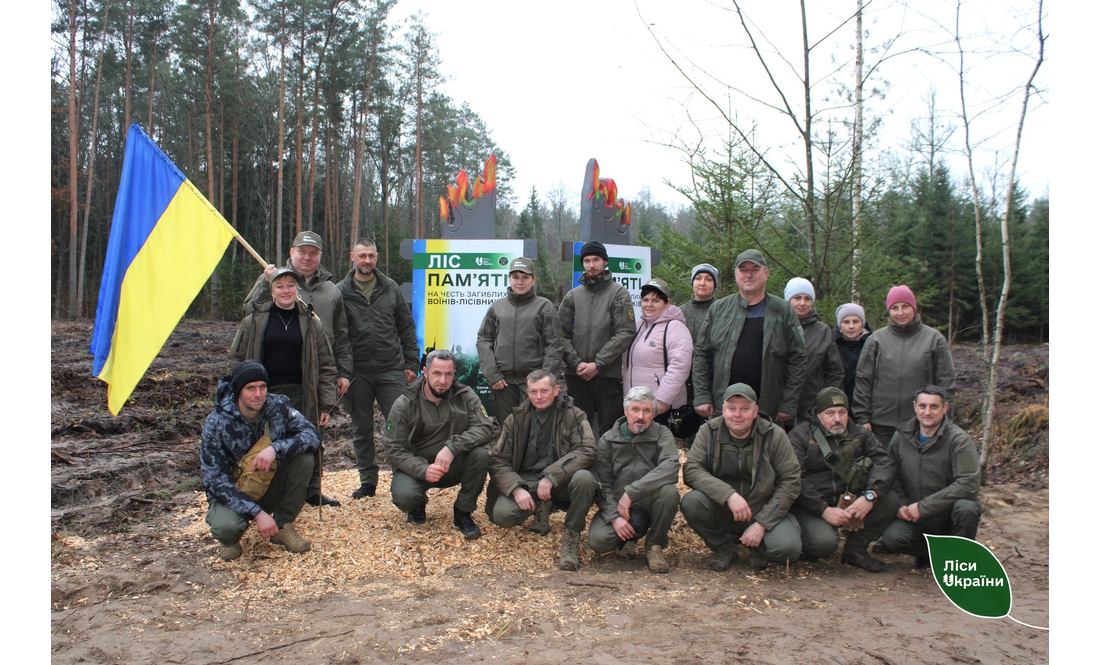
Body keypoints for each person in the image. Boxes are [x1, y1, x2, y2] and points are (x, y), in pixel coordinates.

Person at [243, 231, 352, 507]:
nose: (307, 257)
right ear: (291, 252)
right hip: (270, 382)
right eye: (302, 251)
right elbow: (248, 313)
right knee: (269, 437)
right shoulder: (273, 280)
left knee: (312, 435)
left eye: (313, 253)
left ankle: (311, 491)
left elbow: (341, 335)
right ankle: (268, 491)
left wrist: (343, 372)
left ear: (320, 256)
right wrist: (264, 282)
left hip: (311, 379)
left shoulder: (331, 291)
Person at [230, 267, 339, 506]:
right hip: (263, 394)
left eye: (291, 285)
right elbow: (236, 359)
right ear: (272, 292)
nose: (286, 290)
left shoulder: (312, 322)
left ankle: (311, 491)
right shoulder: (254, 321)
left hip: (302, 393)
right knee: (263, 443)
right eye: (280, 286)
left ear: (297, 290)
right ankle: (261, 491)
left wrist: (326, 403)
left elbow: (327, 365)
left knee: (309, 440)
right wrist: (237, 394)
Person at [200, 361, 320, 560]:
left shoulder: (279, 406)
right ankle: (231, 540)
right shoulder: (217, 422)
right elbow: (214, 481)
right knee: (227, 528)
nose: (258, 394)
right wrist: (257, 513)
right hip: (234, 492)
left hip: (267, 482)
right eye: (251, 388)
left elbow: (313, 435)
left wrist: (275, 449)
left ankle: (282, 525)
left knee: (304, 459)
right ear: (238, 391)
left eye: (262, 387)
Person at [681, 383, 802, 572]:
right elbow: (692, 470)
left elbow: (791, 481)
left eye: (745, 409)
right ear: (723, 410)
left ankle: (760, 547)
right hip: (725, 508)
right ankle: (724, 548)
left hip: (763, 508)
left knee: (787, 549)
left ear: (755, 411)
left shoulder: (774, 435)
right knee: (691, 501)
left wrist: (762, 523)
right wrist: (729, 495)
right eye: (732, 409)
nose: (737, 415)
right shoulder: (708, 431)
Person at [486, 370, 598, 571]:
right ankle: (541, 505)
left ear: (556, 390)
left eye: (544, 391)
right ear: (527, 392)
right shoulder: (515, 419)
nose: (539, 396)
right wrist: (516, 489)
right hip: (527, 479)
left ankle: (572, 536)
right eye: (534, 391)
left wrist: (551, 475)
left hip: (562, 479)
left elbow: (587, 449)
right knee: (503, 515)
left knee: (585, 479)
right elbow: (499, 460)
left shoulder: (574, 415)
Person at [337, 238, 421, 500]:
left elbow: (406, 327)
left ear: (377, 257)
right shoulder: (340, 291)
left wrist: (411, 362)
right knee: (361, 429)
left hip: (390, 369)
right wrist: (341, 371)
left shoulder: (390, 287)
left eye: (371, 256)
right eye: (362, 256)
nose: (367, 260)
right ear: (352, 257)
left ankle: (404, 478)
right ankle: (367, 481)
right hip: (357, 372)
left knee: (400, 426)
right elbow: (336, 335)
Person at [382, 349, 492, 539]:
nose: (443, 380)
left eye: (448, 374)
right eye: (437, 373)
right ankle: (417, 503)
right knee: (405, 497)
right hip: (417, 467)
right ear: (425, 372)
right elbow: (394, 448)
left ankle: (463, 512)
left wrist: (452, 448)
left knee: (480, 456)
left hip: (452, 464)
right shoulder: (405, 403)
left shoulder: (465, 395)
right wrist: (423, 469)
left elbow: (484, 428)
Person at [787, 387, 899, 572]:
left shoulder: (859, 433)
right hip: (812, 503)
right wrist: (823, 509)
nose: (837, 419)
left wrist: (870, 495)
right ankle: (807, 543)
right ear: (818, 415)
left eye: (842, 412)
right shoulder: (799, 435)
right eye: (830, 413)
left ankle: (855, 550)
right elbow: (795, 477)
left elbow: (884, 462)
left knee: (890, 499)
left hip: (850, 498)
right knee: (823, 545)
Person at [692, 249, 806, 424]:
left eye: (755, 269)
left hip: (768, 409)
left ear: (766, 274)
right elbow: (701, 354)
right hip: (724, 407)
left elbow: (798, 359)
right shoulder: (719, 310)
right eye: (743, 270)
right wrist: (701, 395)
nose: (749, 274)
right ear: (736, 275)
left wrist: (788, 403)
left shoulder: (783, 311)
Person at [879, 384, 981, 568]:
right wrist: (902, 504)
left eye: (934, 406)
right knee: (892, 539)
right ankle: (932, 553)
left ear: (945, 408)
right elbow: (891, 475)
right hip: (915, 515)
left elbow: (968, 484)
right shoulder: (901, 436)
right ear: (915, 407)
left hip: (947, 513)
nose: (927, 412)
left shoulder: (959, 440)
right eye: (922, 406)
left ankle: (960, 558)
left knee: (967, 508)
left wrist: (924, 507)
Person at [588, 386, 681, 573]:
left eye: (647, 411)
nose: (641, 416)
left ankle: (654, 545)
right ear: (625, 411)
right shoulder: (608, 440)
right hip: (618, 504)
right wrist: (614, 517)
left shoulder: (662, 434)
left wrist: (632, 493)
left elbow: (670, 467)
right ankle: (628, 539)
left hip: (649, 499)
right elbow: (603, 485)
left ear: (653, 413)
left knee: (669, 493)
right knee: (599, 541)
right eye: (635, 410)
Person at [852, 285, 956, 446]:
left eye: (905, 306)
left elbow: (946, 382)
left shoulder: (934, 339)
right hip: (881, 425)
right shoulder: (876, 340)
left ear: (914, 308)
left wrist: (944, 420)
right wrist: (862, 418)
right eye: (895, 308)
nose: (900, 313)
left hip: (921, 424)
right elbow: (863, 380)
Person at [560, 240, 637, 438]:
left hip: (607, 376)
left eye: (596, 260)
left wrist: (599, 363)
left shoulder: (619, 294)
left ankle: (607, 460)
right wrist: (576, 363)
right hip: (576, 376)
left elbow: (625, 331)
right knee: (578, 431)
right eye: (587, 261)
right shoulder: (572, 296)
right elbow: (559, 334)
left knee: (610, 433)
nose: (591, 265)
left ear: (605, 262)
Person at [476, 257, 564, 421]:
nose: (520, 282)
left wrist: (545, 380)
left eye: (525, 277)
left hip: (533, 383)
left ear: (533, 280)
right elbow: (484, 340)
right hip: (503, 384)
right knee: (508, 429)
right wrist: (492, 375)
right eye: (515, 277)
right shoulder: (497, 307)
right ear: (509, 278)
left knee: (535, 427)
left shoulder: (544, 306)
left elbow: (555, 344)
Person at [622, 278, 693, 422]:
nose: (649, 305)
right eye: (645, 300)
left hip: (660, 408)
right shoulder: (638, 326)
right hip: (635, 405)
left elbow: (680, 366)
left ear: (667, 303)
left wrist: (663, 399)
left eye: (655, 301)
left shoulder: (675, 327)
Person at [784, 277, 844, 424]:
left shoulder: (823, 332)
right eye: (797, 298)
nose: (802, 303)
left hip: (811, 407)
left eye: (807, 298)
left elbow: (834, 372)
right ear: (788, 300)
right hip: (780, 406)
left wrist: (827, 403)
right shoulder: (777, 327)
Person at [833, 303, 872, 404]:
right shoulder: (831, 345)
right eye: (846, 322)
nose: (851, 326)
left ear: (862, 324)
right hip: (838, 403)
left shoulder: (873, 345)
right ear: (840, 325)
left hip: (867, 402)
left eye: (856, 321)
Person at [680, 263, 719, 343]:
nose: (702, 283)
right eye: (698, 278)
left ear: (714, 284)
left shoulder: (722, 310)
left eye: (708, 279)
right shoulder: (681, 312)